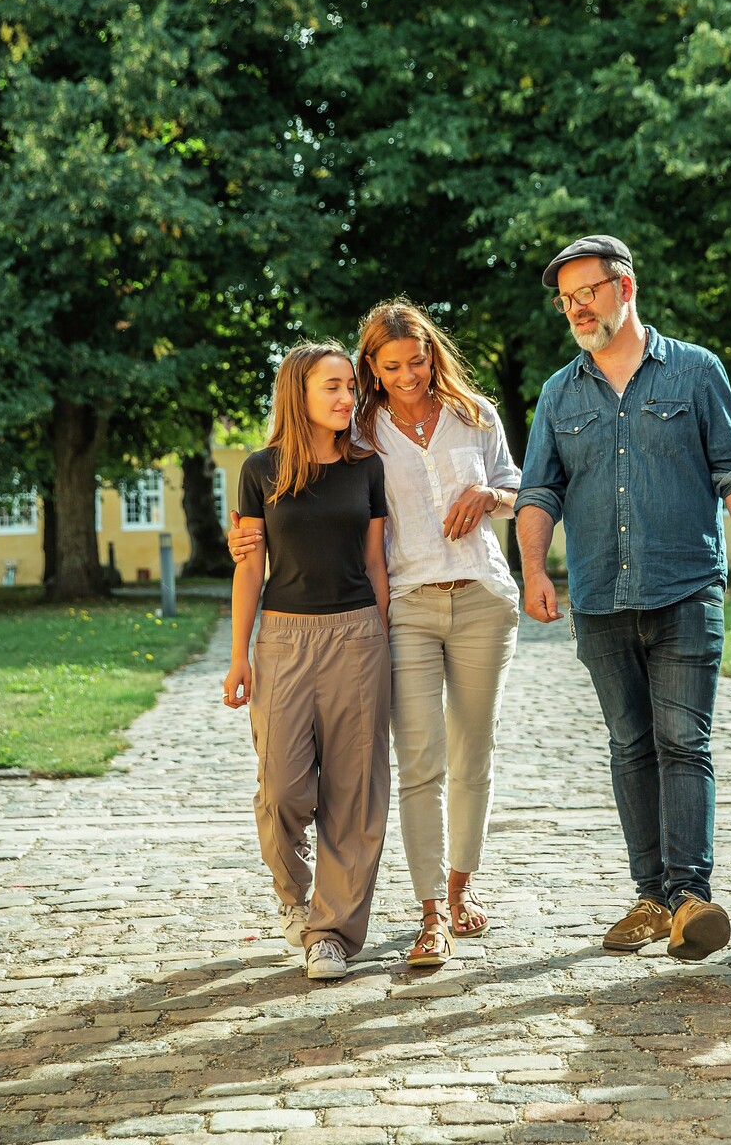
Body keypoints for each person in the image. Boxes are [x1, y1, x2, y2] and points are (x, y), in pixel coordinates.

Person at [515, 234, 731, 962]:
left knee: (682, 741)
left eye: (587, 292)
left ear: (625, 288)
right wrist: (534, 571)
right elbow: (540, 489)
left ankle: (690, 894)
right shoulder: (558, 392)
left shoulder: (696, 372)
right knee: (630, 745)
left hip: (684, 588)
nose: (575, 307)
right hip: (600, 596)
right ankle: (651, 895)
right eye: (565, 298)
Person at [231, 299, 522, 970]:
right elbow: (297, 499)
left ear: (432, 355)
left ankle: (456, 890)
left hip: (479, 595)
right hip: (406, 605)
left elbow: (520, 487)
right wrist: (246, 535)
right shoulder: (362, 430)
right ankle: (421, 915)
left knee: (469, 752)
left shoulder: (474, 414)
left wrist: (491, 498)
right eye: (391, 366)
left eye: (417, 361)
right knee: (411, 763)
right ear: (373, 367)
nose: (408, 375)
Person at [223, 342, 391, 981]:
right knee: (284, 789)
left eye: (351, 386)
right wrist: (239, 656)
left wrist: (384, 639)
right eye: (333, 387)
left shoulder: (365, 468)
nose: (348, 398)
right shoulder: (260, 470)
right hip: (284, 641)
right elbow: (248, 569)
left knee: (355, 793)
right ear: (299, 392)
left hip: (357, 637)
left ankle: (332, 933)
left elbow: (376, 563)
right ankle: (293, 897)